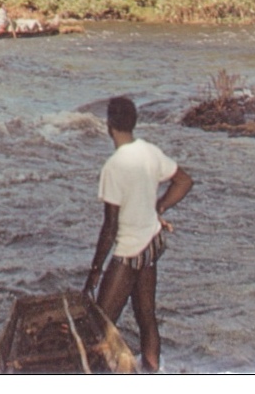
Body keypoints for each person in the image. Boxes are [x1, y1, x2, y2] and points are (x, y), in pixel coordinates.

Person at [83, 96, 194, 373]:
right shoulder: (149, 151)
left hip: (130, 251)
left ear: (109, 126)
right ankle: (153, 372)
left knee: (100, 324)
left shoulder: (113, 166)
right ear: (134, 123)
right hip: (152, 245)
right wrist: (160, 205)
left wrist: (95, 270)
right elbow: (183, 181)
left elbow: (110, 227)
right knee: (147, 317)